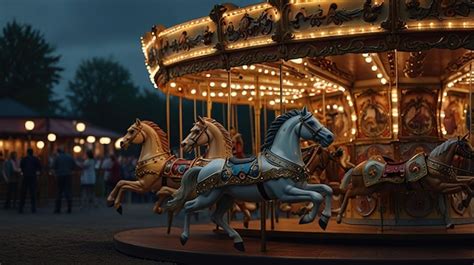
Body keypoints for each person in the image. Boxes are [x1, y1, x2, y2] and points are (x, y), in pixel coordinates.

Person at [53, 148, 76, 213]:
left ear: (58, 152)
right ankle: (69, 208)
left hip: (59, 176)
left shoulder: (57, 158)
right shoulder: (69, 157)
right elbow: (74, 166)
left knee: (59, 192)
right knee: (68, 192)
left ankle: (58, 209)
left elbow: (53, 166)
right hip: (68, 176)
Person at [19, 148, 41, 213]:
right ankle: (33, 208)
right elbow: (39, 167)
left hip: (25, 177)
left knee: (23, 193)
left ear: (27, 152)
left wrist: (23, 172)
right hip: (33, 177)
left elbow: (21, 166)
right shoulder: (35, 159)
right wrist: (37, 173)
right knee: (33, 193)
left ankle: (21, 208)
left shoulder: (24, 159)